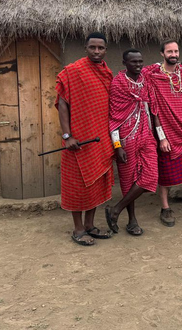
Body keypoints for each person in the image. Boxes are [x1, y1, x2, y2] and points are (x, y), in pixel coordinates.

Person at [55, 32, 115, 246]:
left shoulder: (107, 73)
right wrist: (67, 135)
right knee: (78, 186)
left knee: (96, 184)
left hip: (100, 140)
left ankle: (90, 225)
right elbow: (62, 104)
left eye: (100, 48)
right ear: (86, 48)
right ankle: (78, 228)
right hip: (77, 142)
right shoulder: (73, 71)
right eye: (93, 47)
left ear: (105, 50)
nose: (96, 51)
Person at [142, 40, 182, 225]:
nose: (174, 54)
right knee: (166, 174)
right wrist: (161, 138)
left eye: (176, 51)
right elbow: (155, 109)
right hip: (168, 133)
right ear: (162, 53)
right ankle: (165, 208)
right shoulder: (154, 75)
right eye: (169, 51)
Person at [104, 49, 159, 236]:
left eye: (140, 61)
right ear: (124, 63)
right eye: (133, 62)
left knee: (151, 176)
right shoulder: (118, 84)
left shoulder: (145, 77)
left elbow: (161, 66)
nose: (138, 65)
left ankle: (116, 210)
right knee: (128, 181)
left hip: (146, 134)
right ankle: (132, 221)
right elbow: (113, 118)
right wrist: (117, 146)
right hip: (126, 137)